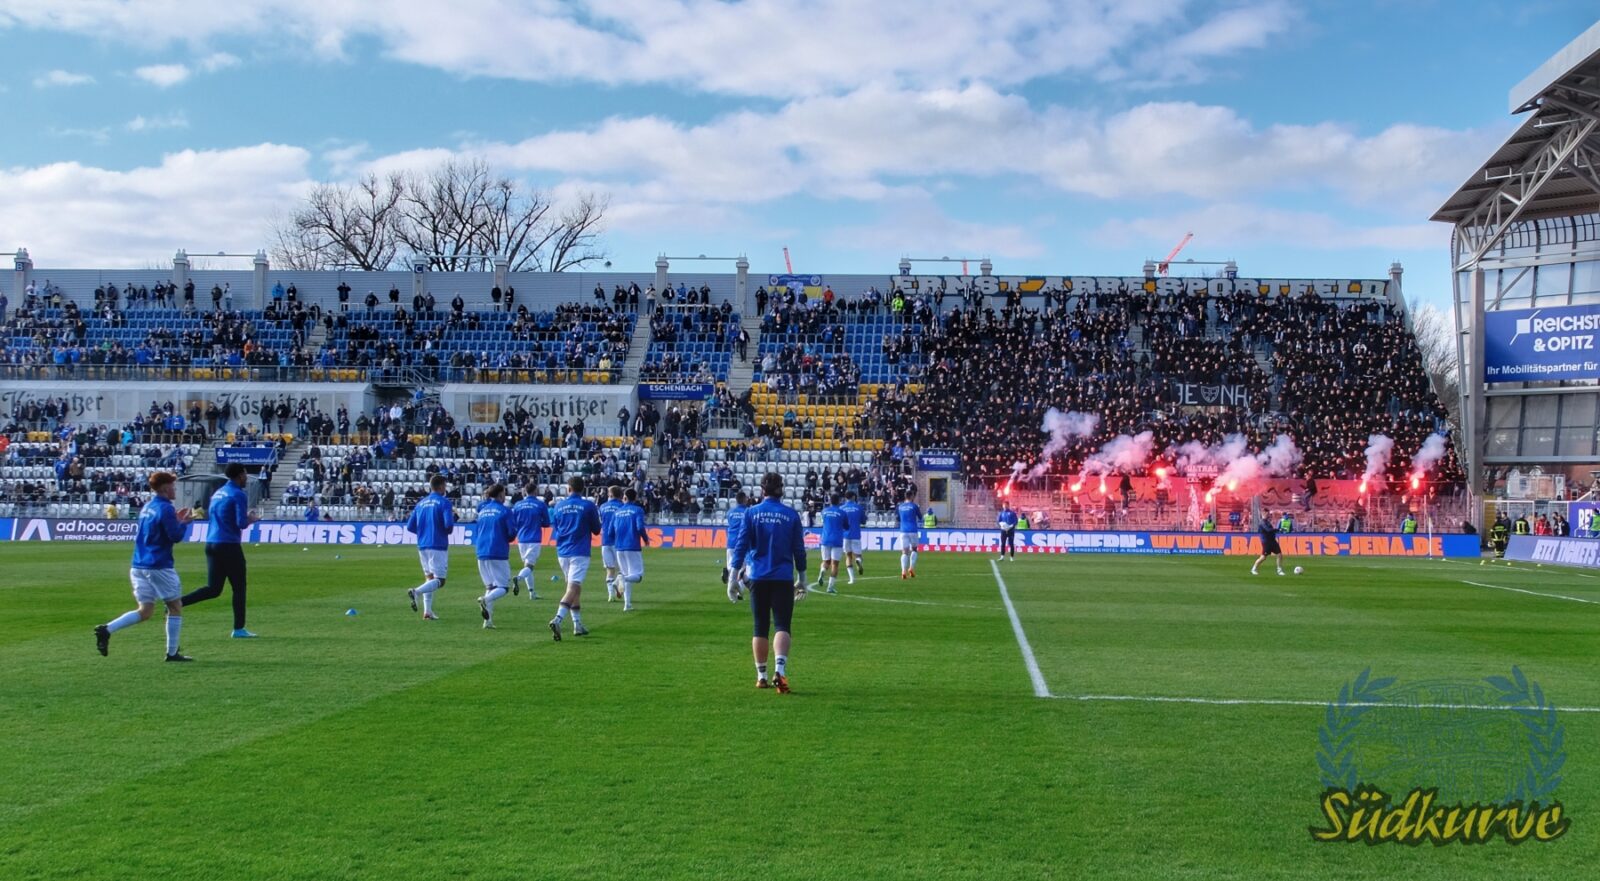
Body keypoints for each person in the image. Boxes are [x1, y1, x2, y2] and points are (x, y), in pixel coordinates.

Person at [95, 472, 194, 661]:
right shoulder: (165, 508)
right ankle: (172, 653)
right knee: (175, 606)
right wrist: (185, 523)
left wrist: (177, 520)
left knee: (145, 611)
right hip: (158, 564)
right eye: (173, 486)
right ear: (165, 488)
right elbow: (175, 536)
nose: (175, 489)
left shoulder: (148, 506)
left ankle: (107, 629)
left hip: (138, 564)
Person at [730, 472, 806, 693]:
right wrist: (802, 577)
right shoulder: (790, 515)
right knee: (782, 624)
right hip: (782, 576)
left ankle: (761, 675)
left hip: (757, 577)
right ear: (781, 489)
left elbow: (741, 546)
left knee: (760, 627)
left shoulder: (751, 513)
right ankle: (780, 672)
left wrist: (734, 577)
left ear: (762, 490)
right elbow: (799, 550)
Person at [179, 463, 261, 638]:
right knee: (239, 588)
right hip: (228, 544)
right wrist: (252, 519)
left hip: (211, 542)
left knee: (214, 589)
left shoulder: (219, 492)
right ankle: (239, 629)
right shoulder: (238, 494)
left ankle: (177, 603)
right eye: (245, 474)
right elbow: (240, 523)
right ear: (240, 476)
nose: (246, 478)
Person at [548, 476, 602, 640]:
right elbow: (597, 530)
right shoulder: (588, 506)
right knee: (573, 587)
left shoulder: (559, 506)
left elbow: (556, 528)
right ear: (582, 488)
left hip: (562, 551)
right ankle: (558, 618)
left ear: (568, 488)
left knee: (574, 588)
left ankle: (577, 624)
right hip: (579, 551)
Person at [405, 475, 457, 620]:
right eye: (445, 486)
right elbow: (448, 525)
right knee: (440, 580)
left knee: (430, 578)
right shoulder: (444, 502)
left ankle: (427, 612)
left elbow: (410, 526)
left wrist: (423, 533)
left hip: (423, 545)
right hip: (438, 544)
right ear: (440, 486)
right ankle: (416, 592)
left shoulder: (421, 503)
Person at [473, 485, 516, 629]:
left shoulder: (483, 511)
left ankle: (488, 621)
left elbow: (477, 530)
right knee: (503, 587)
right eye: (504, 493)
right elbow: (511, 533)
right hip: (497, 551)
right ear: (500, 495)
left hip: (481, 551)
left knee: (490, 586)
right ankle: (485, 599)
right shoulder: (505, 511)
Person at [605, 488, 650, 611]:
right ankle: (620, 579)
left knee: (627, 575)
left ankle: (627, 604)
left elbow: (609, 532)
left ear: (625, 498)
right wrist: (645, 539)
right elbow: (640, 527)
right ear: (635, 498)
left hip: (619, 547)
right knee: (638, 576)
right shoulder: (637, 510)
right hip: (632, 546)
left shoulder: (617, 512)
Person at [511, 481, 550, 600]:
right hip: (534, 538)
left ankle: (532, 593)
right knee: (530, 566)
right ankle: (518, 578)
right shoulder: (540, 504)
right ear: (535, 491)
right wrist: (538, 522)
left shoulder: (517, 505)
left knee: (526, 565)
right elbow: (547, 523)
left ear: (525, 492)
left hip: (521, 539)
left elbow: (514, 522)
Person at [814, 493, 846, 594]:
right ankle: (830, 587)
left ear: (830, 501)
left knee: (826, 561)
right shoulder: (842, 512)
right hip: (837, 540)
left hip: (825, 539)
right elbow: (846, 526)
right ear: (839, 501)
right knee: (835, 564)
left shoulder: (824, 511)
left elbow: (823, 522)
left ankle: (823, 570)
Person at [598, 485, 626, 602]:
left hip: (605, 541)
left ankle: (611, 595)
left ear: (610, 494)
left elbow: (600, 523)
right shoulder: (622, 507)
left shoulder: (602, 507)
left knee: (609, 569)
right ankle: (618, 587)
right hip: (619, 541)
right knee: (623, 569)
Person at [723, 491, 750, 587]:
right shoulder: (748, 512)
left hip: (731, 541)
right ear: (744, 499)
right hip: (743, 542)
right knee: (744, 567)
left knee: (731, 565)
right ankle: (739, 591)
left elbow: (731, 523)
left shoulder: (730, 512)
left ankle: (728, 572)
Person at [839, 490, 865, 583]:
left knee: (848, 556)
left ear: (845, 498)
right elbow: (864, 521)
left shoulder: (841, 508)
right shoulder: (858, 507)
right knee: (858, 555)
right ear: (853, 497)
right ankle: (858, 561)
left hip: (845, 535)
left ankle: (851, 579)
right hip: (856, 535)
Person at [897, 487, 922, 580]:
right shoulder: (914, 506)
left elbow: (898, 518)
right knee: (914, 549)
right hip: (913, 530)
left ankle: (903, 571)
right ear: (911, 496)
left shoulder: (900, 506)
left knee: (904, 551)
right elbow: (920, 517)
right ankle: (911, 568)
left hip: (903, 531)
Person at [1252, 511, 1287, 576]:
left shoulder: (1267, 522)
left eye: (1268, 514)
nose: (1268, 515)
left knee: (1279, 555)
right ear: (1263, 514)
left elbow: (1271, 530)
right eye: (1267, 514)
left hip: (1273, 541)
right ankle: (1254, 569)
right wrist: (1278, 529)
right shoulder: (1262, 522)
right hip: (1266, 542)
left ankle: (1279, 570)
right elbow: (1268, 530)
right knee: (1263, 557)